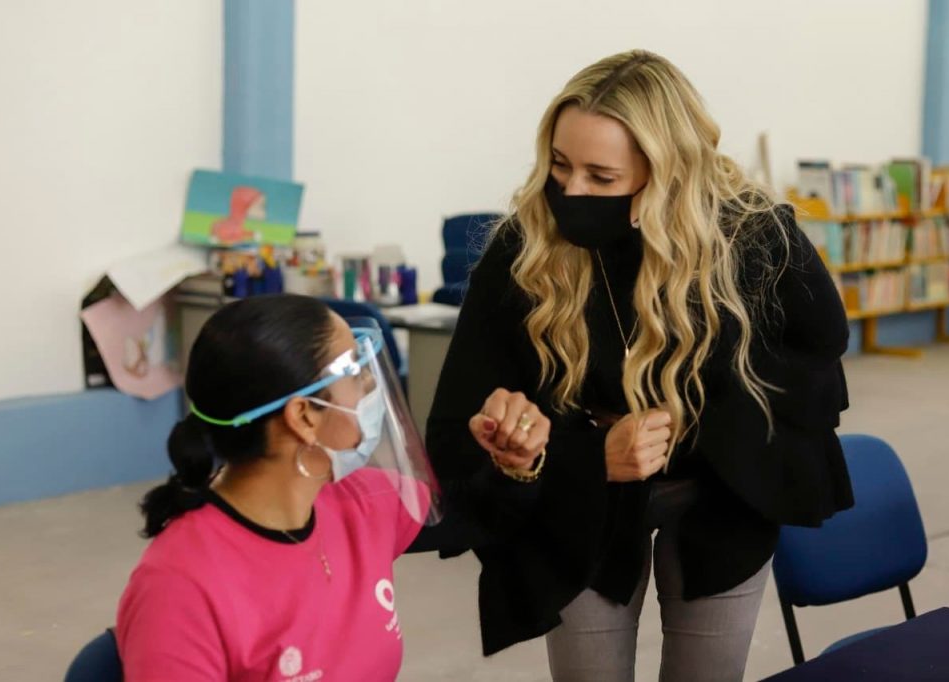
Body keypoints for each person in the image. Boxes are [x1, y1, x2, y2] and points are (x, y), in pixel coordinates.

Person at [425, 50, 853, 682]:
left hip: (724, 493)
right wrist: (581, 455)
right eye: (560, 165)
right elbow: (456, 425)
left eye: (601, 177)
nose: (571, 191)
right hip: (582, 500)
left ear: (669, 173)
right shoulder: (525, 248)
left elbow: (813, 373)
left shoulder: (752, 236)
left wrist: (693, 420)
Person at [116, 294, 544, 681]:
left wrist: (516, 460)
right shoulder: (179, 589)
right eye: (354, 371)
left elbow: (479, 515)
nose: (370, 384)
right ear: (303, 416)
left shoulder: (359, 501)